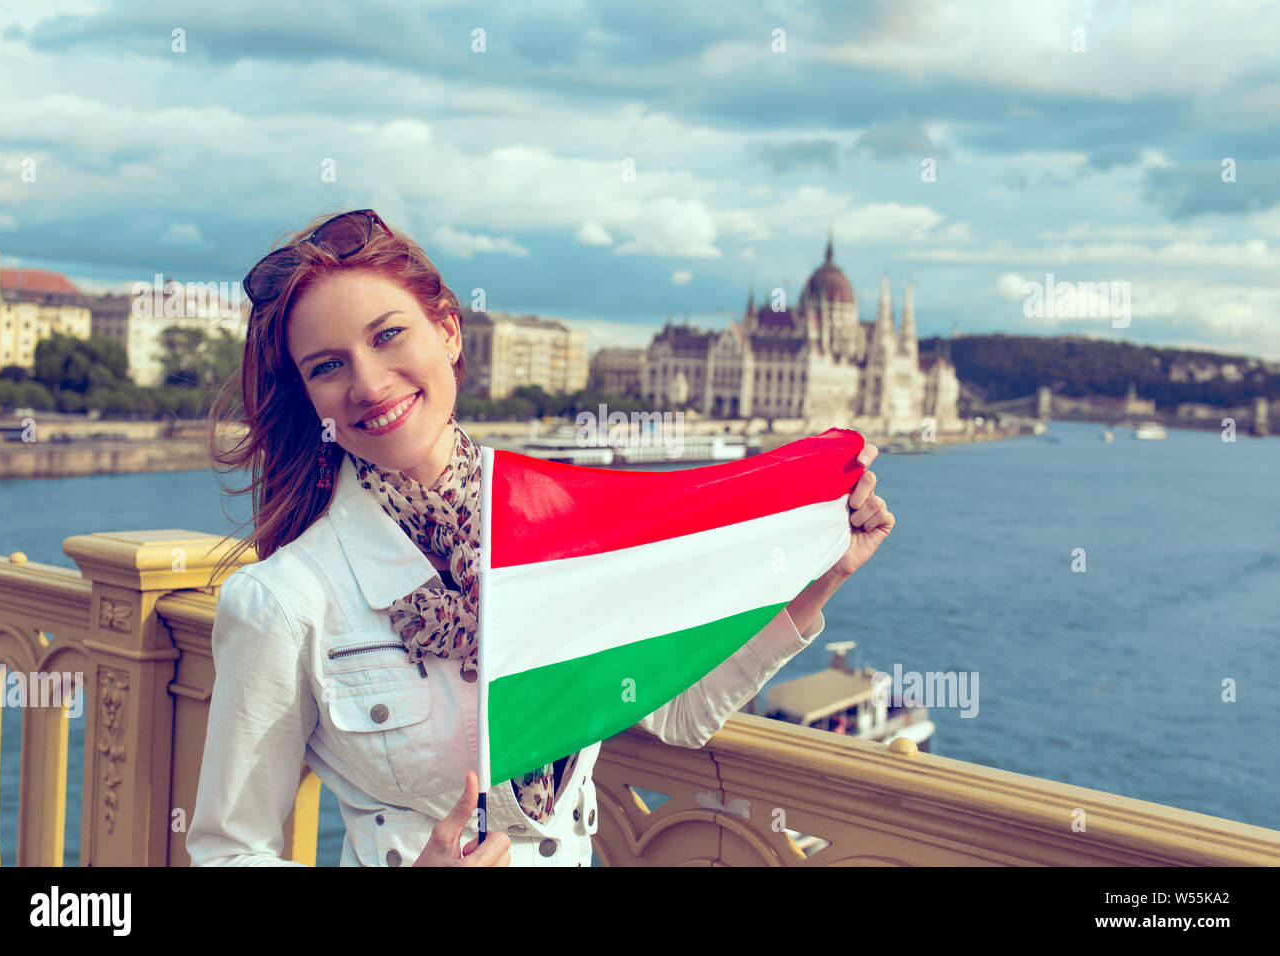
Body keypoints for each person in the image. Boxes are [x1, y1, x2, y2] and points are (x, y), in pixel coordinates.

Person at [186, 208, 896, 868]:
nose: (368, 384)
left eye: (387, 335)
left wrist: (818, 573)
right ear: (310, 396)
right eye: (328, 366)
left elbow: (675, 714)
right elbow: (225, 850)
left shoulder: (560, 524)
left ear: (449, 332)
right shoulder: (285, 601)